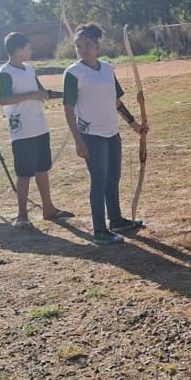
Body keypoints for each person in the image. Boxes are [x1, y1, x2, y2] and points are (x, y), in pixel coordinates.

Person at [62, 22, 146, 245]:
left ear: (97, 45)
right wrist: (78, 141)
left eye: (88, 45)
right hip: (91, 136)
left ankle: (116, 220)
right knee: (98, 181)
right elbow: (68, 109)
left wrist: (134, 124)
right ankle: (99, 230)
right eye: (79, 46)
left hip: (112, 133)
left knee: (113, 177)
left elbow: (115, 101)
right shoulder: (73, 73)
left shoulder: (107, 69)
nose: (83, 50)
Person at [0, 32, 73, 229]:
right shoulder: (5, 73)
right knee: (24, 173)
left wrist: (69, 94)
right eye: (28, 48)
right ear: (18, 50)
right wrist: (31, 95)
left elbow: (43, 93)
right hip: (22, 132)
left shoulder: (29, 69)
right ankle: (22, 216)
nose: (31, 51)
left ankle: (49, 209)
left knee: (42, 169)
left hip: (39, 127)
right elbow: (4, 99)